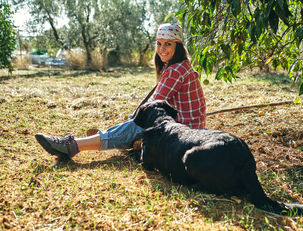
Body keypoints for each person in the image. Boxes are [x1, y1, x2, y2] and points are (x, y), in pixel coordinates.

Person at [35, 23, 206, 159]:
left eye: (168, 44)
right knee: (132, 124)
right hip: (189, 127)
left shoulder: (175, 70)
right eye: (159, 44)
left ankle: (73, 146)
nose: (161, 49)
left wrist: (132, 119)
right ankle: (114, 137)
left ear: (178, 46)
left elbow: (152, 108)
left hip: (182, 131)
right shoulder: (182, 65)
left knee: (133, 125)